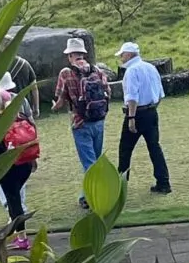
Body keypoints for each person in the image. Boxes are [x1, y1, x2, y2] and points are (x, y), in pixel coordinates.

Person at [115, 40, 172, 194]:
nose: (121, 58)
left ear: (128, 54)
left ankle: (121, 185)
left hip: (137, 113)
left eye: (122, 55)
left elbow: (132, 97)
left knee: (125, 149)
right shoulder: (150, 67)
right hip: (152, 111)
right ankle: (164, 182)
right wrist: (152, 108)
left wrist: (131, 118)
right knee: (154, 147)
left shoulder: (131, 71)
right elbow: (159, 93)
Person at [53, 41, 111, 173]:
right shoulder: (96, 70)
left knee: (89, 164)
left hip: (80, 122)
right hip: (98, 121)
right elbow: (108, 92)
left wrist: (54, 107)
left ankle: (94, 193)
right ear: (84, 54)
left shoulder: (66, 73)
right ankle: (88, 193)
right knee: (96, 159)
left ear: (70, 55)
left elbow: (60, 102)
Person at [0, 90, 40, 237]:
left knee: (14, 202)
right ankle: (16, 232)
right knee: (15, 199)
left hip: (9, 168)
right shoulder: (22, 119)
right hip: (25, 164)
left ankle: (21, 237)